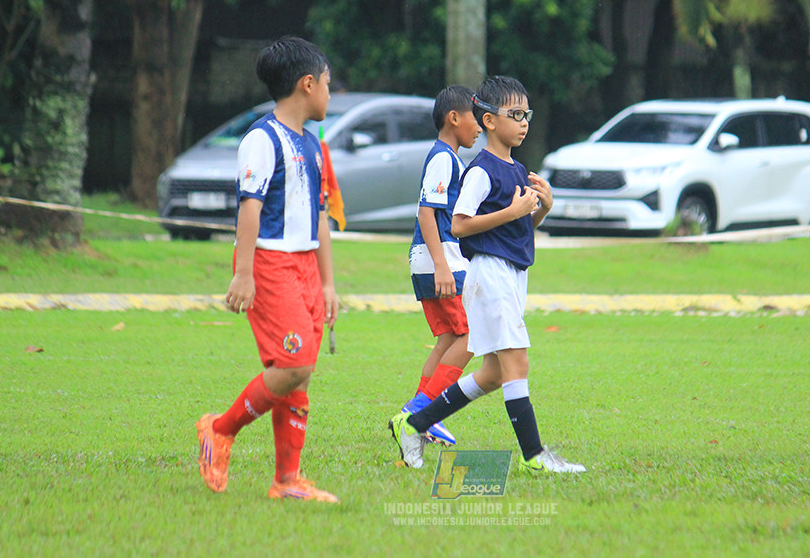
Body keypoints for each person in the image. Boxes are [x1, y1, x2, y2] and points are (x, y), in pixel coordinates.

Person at [389, 75, 586, 473]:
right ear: (490, 121)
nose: (524, 122)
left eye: (527, 114)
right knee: (517, 365)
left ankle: (415, 422)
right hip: (489, 274)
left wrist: (541, 208)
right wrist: (514, 211)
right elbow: (459, 224)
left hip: (513, 275)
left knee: (495, 373)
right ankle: (535, 456)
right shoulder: (480, 169)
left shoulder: (518, 169)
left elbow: (517, 232)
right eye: (515, 114)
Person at [196, 36, 340, 502]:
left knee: (299, 371)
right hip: (271, 262)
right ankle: (219, 429)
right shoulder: (262, 138)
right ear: (306, 84)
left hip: (304, 266)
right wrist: (244, 271)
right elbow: (249, 208)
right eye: (327, 85)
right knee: (294, 363)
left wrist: (328, 282)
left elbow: (320, 217)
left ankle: (287, 480)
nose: (329, 95)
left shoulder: (314, 144)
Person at [400, 85, 481, 446]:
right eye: (474, 119)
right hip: (440, 260)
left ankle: (413, 413)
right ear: (454, 119)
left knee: (450, 337)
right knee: (471, 334)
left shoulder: (451, 158)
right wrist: (442, 267)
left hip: (435, 260)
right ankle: (424, 412)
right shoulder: (443, 158)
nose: (479, 127)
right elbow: (426, 212)